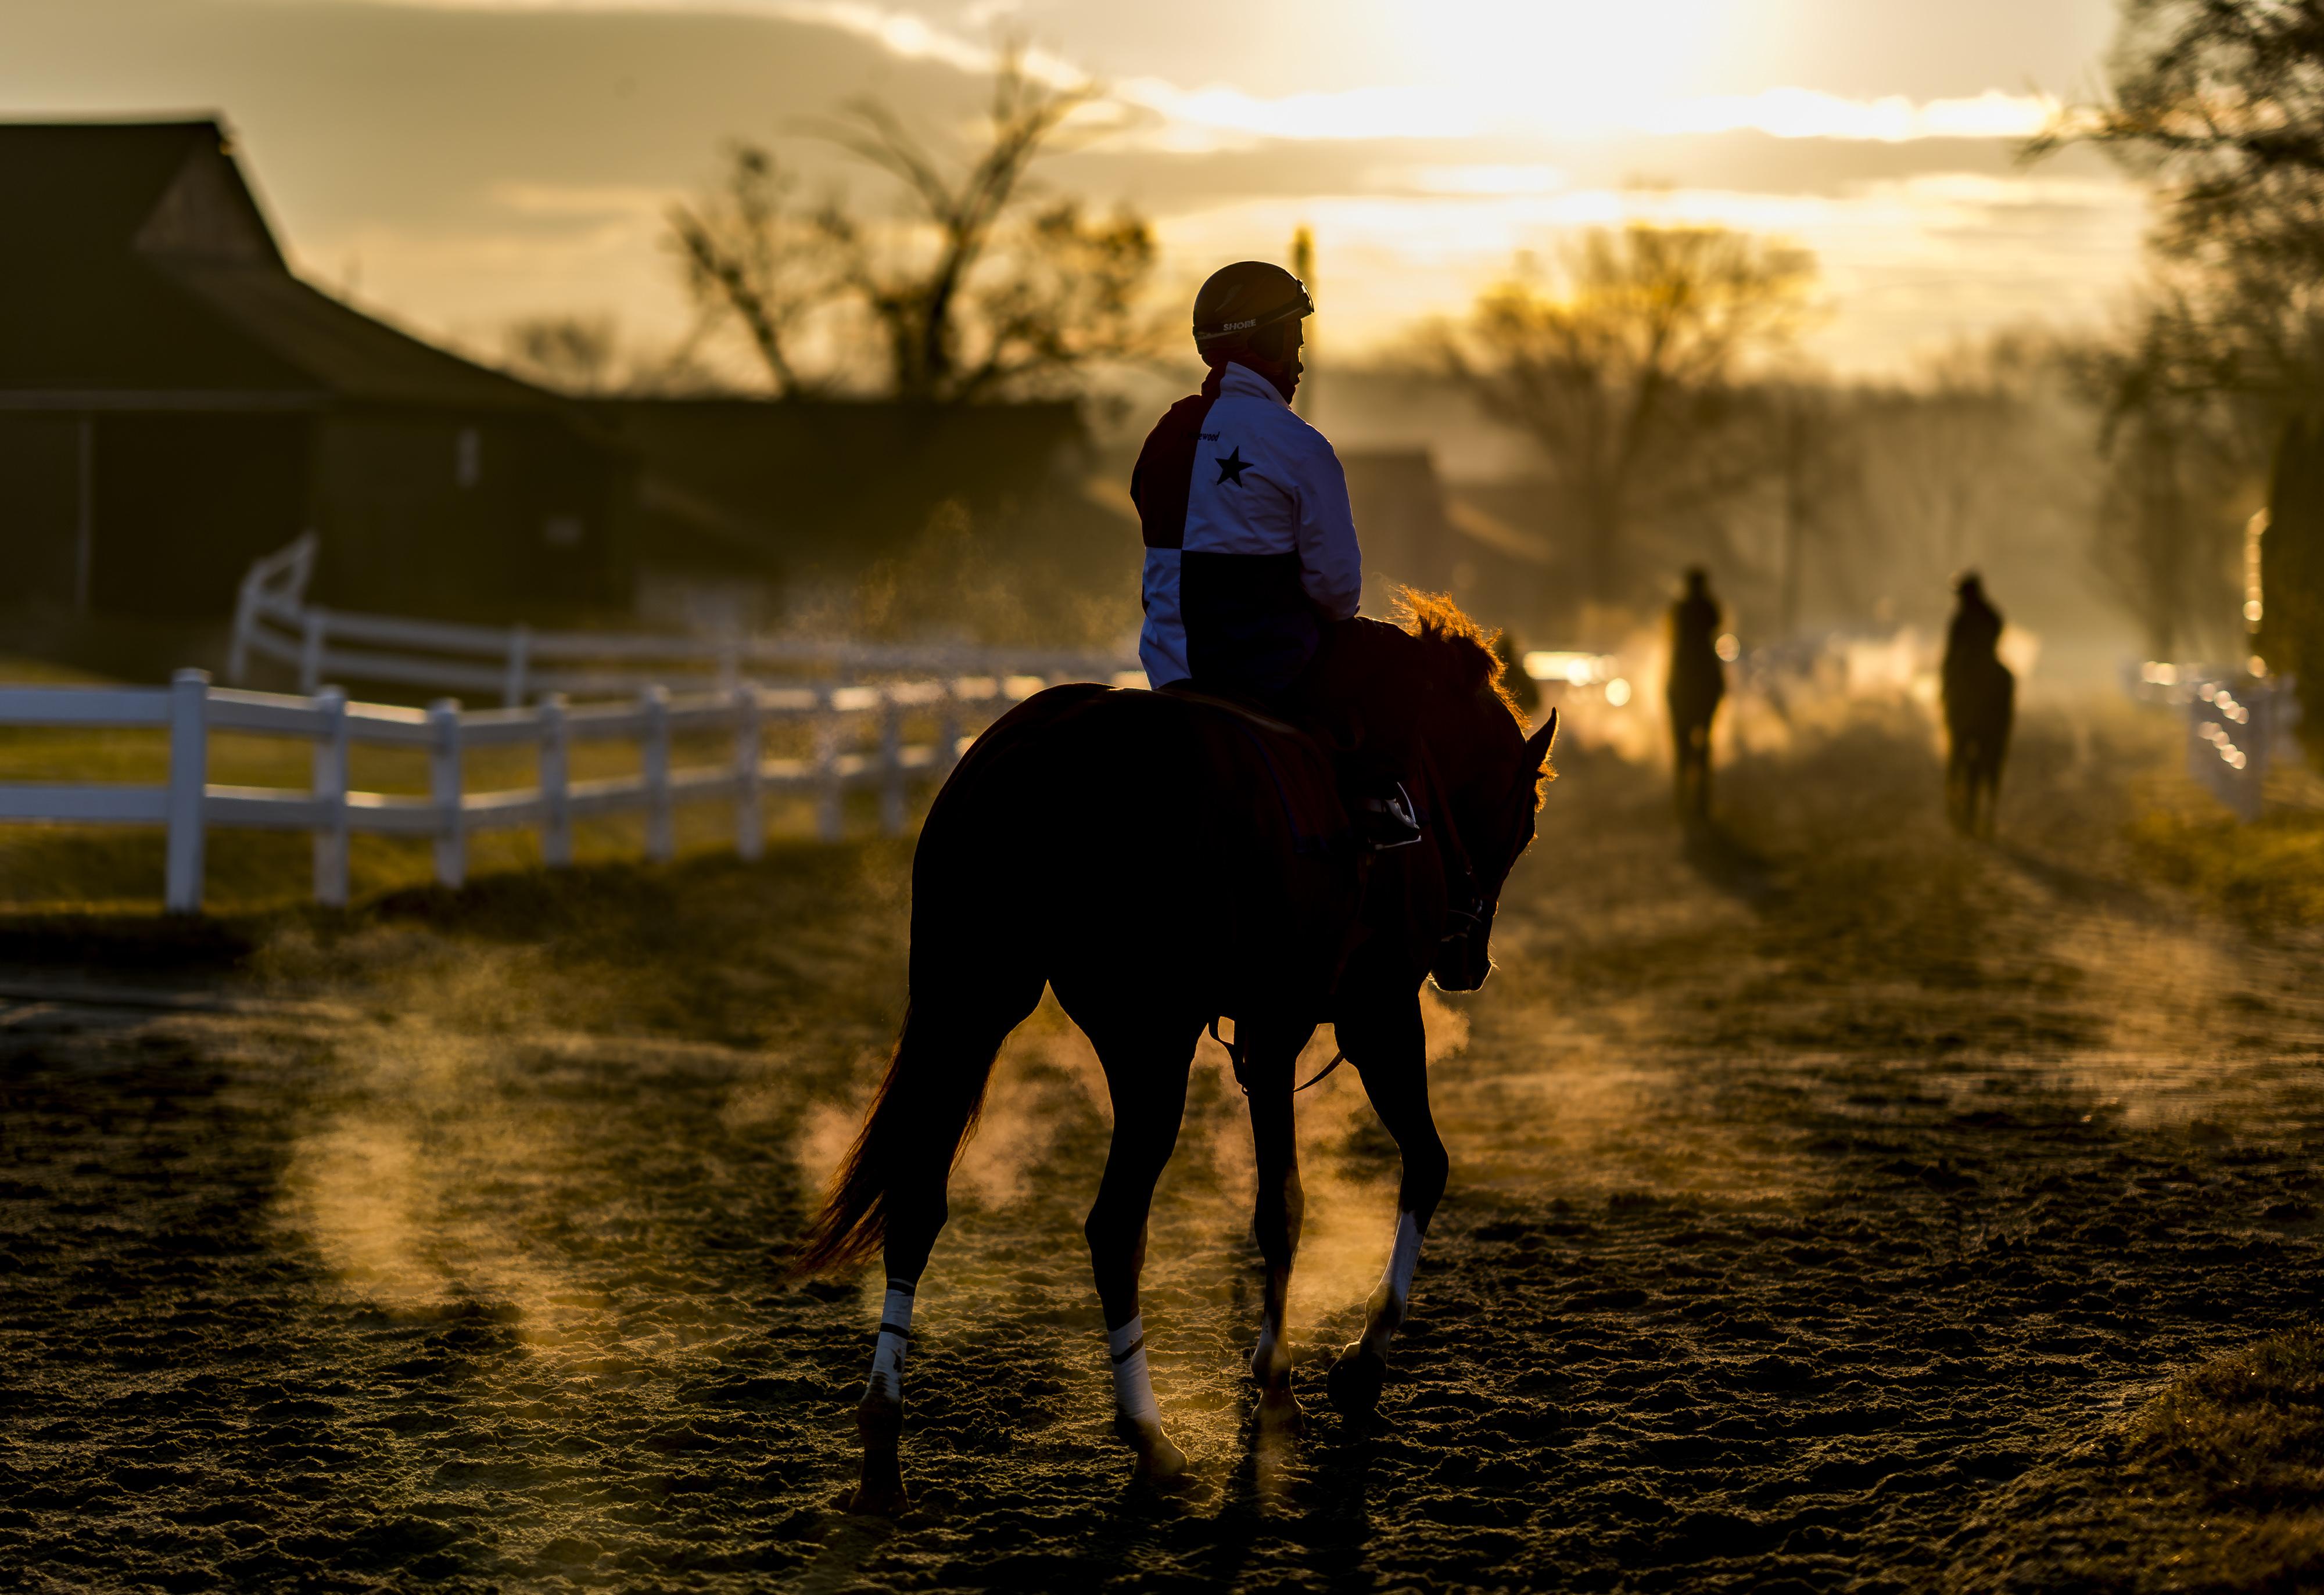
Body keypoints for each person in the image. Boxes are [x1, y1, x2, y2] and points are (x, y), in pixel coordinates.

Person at [1131, 260, 1419, 846]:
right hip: (1268, 674)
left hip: (1167, 667)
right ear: (1261, 341)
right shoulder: (1297, 445)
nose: (1300, 361)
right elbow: (1338, 596)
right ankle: (1375, 802)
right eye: (1293, 341)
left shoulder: (1163, 436)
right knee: (1398, 659)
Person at [1666, 566, 1726, 822]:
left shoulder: (1679, 612)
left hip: (1680, 683)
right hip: (1704, 683)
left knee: (1682, 744)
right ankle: (1700, 801)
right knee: (1703, 740)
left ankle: (1684, 799)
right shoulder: (1709, 610)